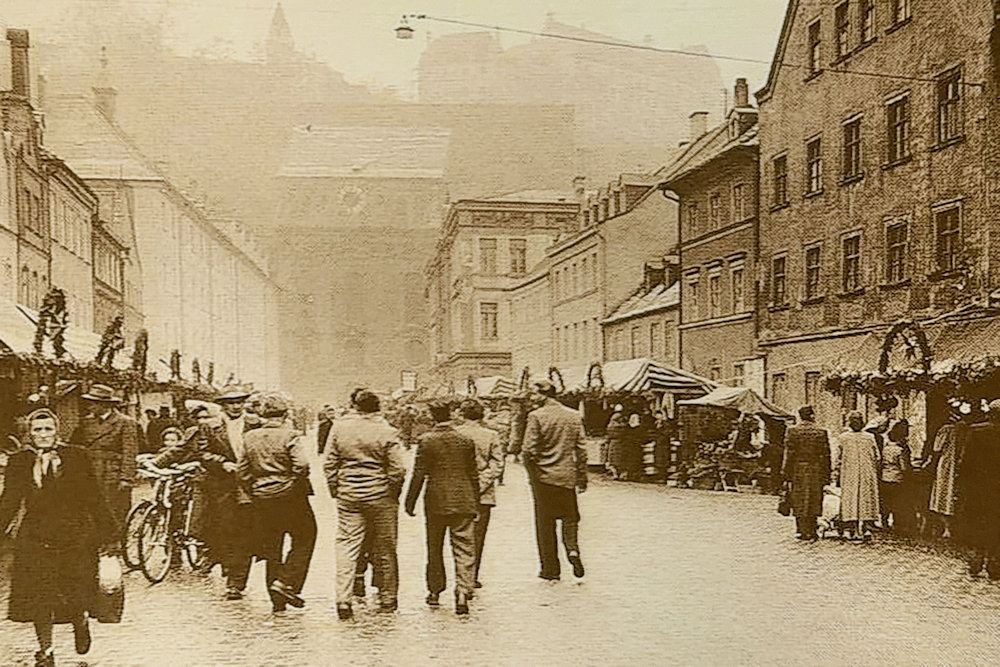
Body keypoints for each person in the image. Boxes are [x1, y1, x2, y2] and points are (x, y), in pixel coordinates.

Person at [0, 409, 118, 667]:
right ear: (30, 433)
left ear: (57, 431)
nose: (43, 435)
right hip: (35, 536)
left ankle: (80, 620)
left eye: (48, 429)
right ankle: (46, 651)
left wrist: (110, 533)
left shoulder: (77, 456)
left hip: (76, 535)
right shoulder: (19, 461)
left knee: (75, 590)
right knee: (40, 596)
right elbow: (9, 500)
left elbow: (94, 496)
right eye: (37, 430)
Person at [324, 389, 405, 619]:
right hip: (380, 495)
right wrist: (392, 492)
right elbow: (398, 469)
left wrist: (336, 489)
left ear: (356, 407)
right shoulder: (387, 431)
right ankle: (388, 597)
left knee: (347, 546)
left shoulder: (339, 428)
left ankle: (343, 599)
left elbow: (329, 463)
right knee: (385, 547)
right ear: (378, 408)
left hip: (348, 495)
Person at [239, 393, 316, 614]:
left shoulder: (250, 437)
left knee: (272, 547)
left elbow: (242, 471)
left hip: (262, 497)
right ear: (285, 415)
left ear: (263, 415)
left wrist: (254, 489)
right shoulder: (290, 435)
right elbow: (302, 465)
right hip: (291, 497)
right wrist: (292, 481)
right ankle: (287, 582)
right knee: (306, 536)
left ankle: (277, 601)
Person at [404, 401, 479, 615]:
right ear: (451, 415)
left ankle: (435, 590)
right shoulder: (466, 440)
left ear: (432, 417)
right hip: (463, 499)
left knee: (434, 547)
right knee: (464, 548)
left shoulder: (426, 441)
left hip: (436, 501)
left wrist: (410, 501)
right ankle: (463, 591)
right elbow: (473, 473)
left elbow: (419, 473)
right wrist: (475, 501)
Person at [523, 381, 588, 581]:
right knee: (570, 517)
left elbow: (528, 449)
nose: (532, 398)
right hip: (567, 477)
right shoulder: (573, 415)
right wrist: (581, 476)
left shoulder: (536, 416)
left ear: (544, 395)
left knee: (545, 523)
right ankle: (572, 549)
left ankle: (550, 569)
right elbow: (581, 449)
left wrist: (532, 475)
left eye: (534, 394)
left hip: (544, 478)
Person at [70, 384, 138, 531]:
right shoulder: (86, 422)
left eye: (93, 403)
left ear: (105, 404)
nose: (89, 406)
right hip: (90, 471)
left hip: (112, 473)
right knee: (90, 510)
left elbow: (130, 451)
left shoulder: (125, 422)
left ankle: (117, 541)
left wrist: (126, 478)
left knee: (114, 509)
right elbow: (75, 446)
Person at [454, 399, 504, 590]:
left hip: (458, 492)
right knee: (478, 536)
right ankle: (472, 576)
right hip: (483, 495)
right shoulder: (491, 435)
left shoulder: (455, 433)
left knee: (458, 537)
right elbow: (497, 464)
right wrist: (481, 483)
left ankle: (461, 578)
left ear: (462, 414)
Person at [956, 400, 1000, 578]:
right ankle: (995, 562)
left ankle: (976, 558)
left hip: (978, 487)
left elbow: (965, 461)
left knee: (976, 521)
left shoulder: (976, 431)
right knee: (996, 522)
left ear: (990, 414)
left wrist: (962, 484)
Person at [780, 405, 831, 541]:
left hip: (798, 469)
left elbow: (789, 454)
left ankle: (801, 529)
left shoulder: (792, 431)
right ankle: (812, 529)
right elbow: (826, 455)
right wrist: (827, 474)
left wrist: (786, 473)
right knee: (814, 497)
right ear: (812, 416)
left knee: (799, 498)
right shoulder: (821, 432)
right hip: (816, 469)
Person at [835, 411, 881, 540]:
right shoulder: (869, 437)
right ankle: (866, 528)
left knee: (850, 498)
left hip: (850, 473)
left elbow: (838, 458)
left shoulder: (843, 438)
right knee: (866, 498)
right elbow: (877, 457)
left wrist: (837, 471)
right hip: (866, 472)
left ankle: (850, 528)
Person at [928, 414, 965, 539]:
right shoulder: (966, 429)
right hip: (961, 463)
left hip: (948, 463)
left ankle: (946, 528)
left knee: (944, 492)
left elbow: (937, 448)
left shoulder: (946, 429)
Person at [880, 420, 910, 532]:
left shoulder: (885, 449)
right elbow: (904, 467)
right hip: (897, 479)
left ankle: (884, 521)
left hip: (885, 478)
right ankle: (897, 523)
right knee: (897, 502)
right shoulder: (900, 450)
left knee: (886, 502)